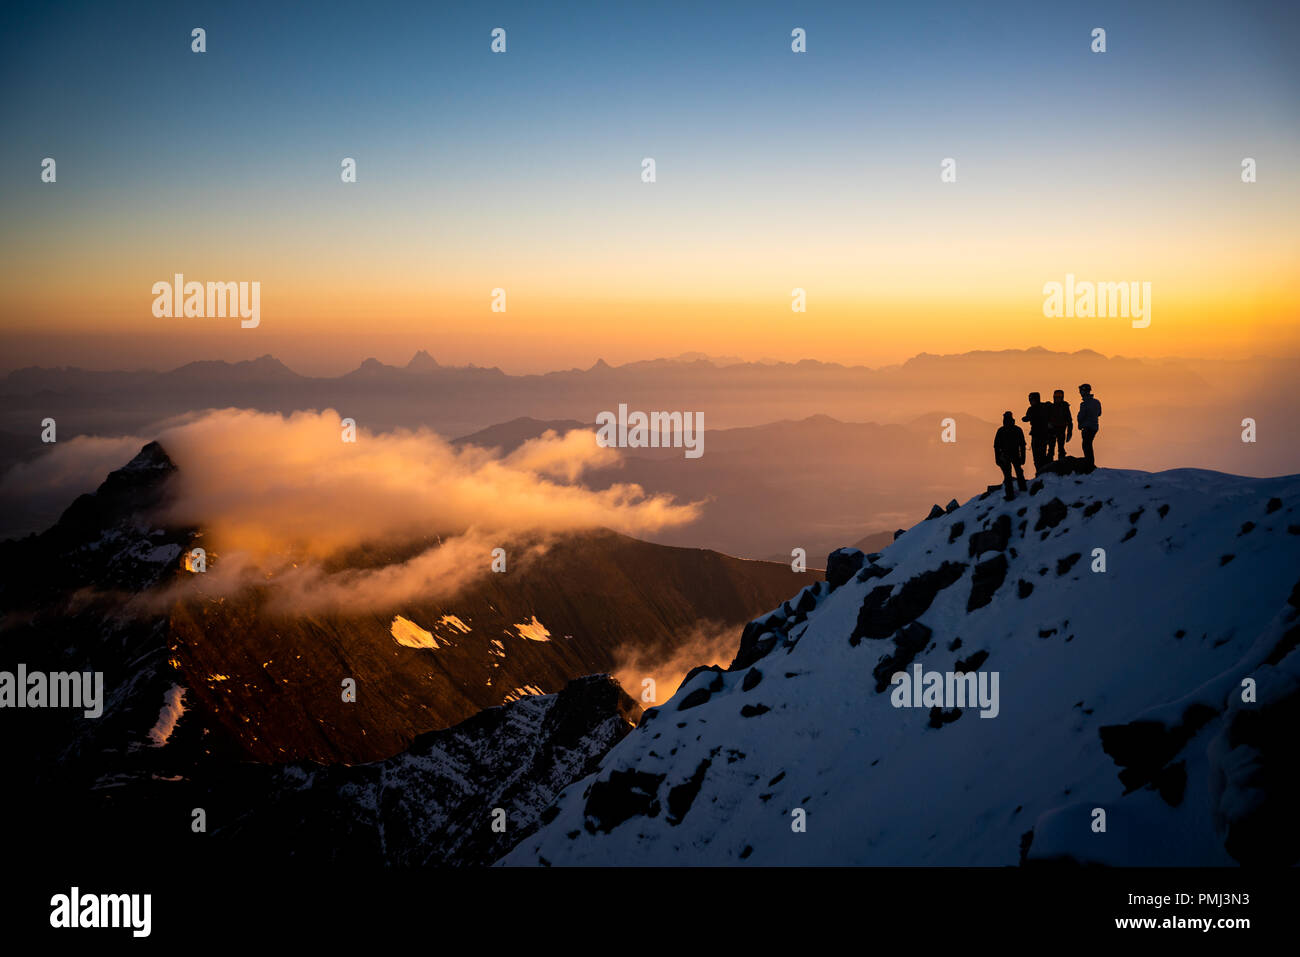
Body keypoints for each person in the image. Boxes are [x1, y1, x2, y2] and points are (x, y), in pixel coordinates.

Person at [993, 411, 1028, 501]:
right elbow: (1022, 445)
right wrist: (1023, 458)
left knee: (1008, 476)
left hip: (1006, 456)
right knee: (1018, 473)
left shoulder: (1001, 430)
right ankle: (1023, 489)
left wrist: (997, 459)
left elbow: (996, 446)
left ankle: (1010, 495)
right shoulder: (1017, 429)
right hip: (1013, 455)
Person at [1021, 392, 1053, 474]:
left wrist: (1025, 418)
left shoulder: (1032, 409)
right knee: (1041, 455)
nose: (1031, 401)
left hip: (1038, 435)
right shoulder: (1044, 407)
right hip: (1043, 435)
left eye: (1031, 399)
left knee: (1037, 456)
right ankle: (1043, 472)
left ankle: (1040, 472)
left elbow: (1027, 418)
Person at [1077, 383, 1102, 470]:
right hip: (1094, 427)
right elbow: (1099, 413)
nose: (1080, 393)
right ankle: (1090, 463)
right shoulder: (1096, 402)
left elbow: (1081, 417)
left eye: (1081, 391)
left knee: (1086, 445)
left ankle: (1089, 464)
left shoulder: (1084, 404)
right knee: (1088, 445)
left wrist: (1080, 423)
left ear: (1084, 392)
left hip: (1087, 427)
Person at [1048, 388, 1073, 461]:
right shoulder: (1051, 407)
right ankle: (1050, 465)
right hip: (1052, 430)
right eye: (1056, 395)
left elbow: (1069, 420)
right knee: (1051, 449)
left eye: (1059, 396)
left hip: (1061, 430)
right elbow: (1047, 419)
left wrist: (1069, 432)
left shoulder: (1065, 407)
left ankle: (1061, 464)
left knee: (1061, 449)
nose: (1057, 397)